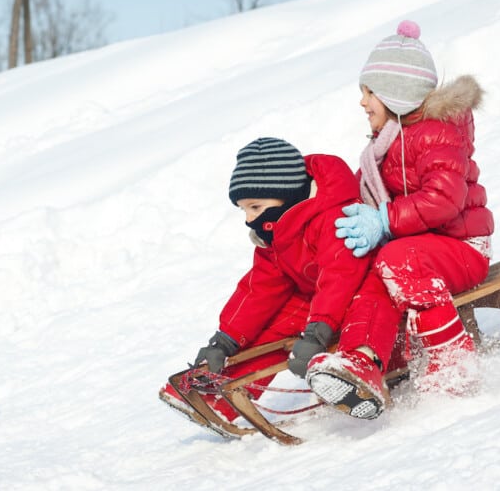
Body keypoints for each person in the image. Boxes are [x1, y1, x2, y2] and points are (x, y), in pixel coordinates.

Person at [305, 20, 494, 402]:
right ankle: (364, 361)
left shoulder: (436, 133)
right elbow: (356, 194)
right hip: (422, 248)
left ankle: (454, 361)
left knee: (395, 256)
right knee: (374, 268)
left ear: (396, 94)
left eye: (369, 92)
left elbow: (445, 199)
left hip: (463, 248)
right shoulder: (386, 143)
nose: (362, 102)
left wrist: (384, 220)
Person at [159, 137, 401, 425]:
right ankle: (222, 394)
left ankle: (359, 373)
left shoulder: (334, 216)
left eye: (255, 206)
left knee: (368, 307)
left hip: (360, 286)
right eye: (243, 210)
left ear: (284, 194)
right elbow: (259, 289)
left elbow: (340, 277)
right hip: (316, 297)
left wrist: (316, 335)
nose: (249, 219)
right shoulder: (275, 235)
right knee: (275, 324)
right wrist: (224, 341)